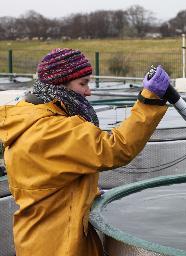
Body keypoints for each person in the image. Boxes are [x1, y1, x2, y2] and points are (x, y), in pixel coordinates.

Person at [0, 48, 170, 256]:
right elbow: (116, 148)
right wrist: (149, 101)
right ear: (59, 85)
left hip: (41, 239)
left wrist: (91, 194)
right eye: (83, 83)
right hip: (60, 247)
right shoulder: (50, 130)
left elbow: (53, 182)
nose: (88, 91)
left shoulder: (28, 116)